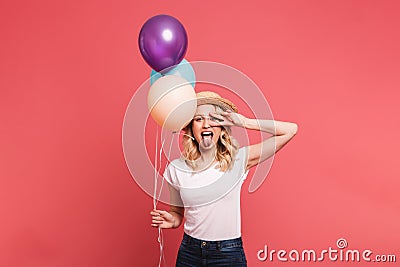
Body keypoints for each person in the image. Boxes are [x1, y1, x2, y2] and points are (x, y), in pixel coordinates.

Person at [150, 91, 298, 266]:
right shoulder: (176, 169)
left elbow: (290, 130)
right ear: (190, 128)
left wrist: (245, 122)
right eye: (198, 119)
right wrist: (172, 220)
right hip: (190, 253)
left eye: (214, 119)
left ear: (222, 128)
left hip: (227, 254)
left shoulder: (239, 160)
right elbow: (177, 214)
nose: (206, 125)